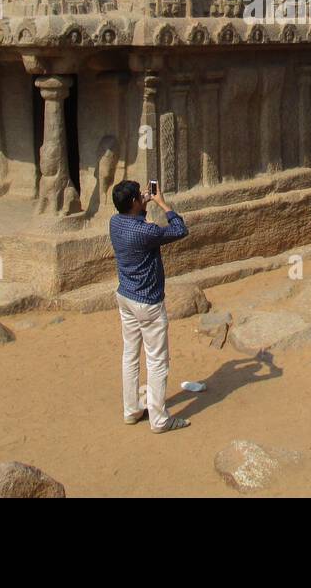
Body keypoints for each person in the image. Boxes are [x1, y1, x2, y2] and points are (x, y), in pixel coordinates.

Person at [108, 179, 190, 433]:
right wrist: (161, 203)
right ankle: (159, 419)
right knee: (157, 361)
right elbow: (180, 229)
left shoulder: (115, 222)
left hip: (126, 296)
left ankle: (131, 410)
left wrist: (141, 206)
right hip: (148, 303)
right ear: (134, 201)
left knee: (130, 355)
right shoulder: (146, 232)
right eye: (138, 197)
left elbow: (135, 220)